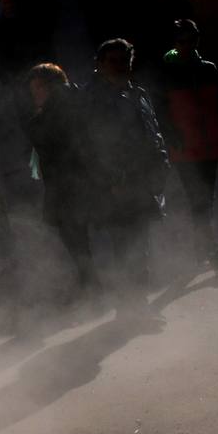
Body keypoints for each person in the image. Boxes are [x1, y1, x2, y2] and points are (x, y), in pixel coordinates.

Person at [81, 39, 169, 312]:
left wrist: (160, 163)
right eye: (113, 61)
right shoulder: (93, 98)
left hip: (143, 178)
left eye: (125, 60)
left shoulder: (138, 93)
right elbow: (91, 145)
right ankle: (131, 306)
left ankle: (136, 303)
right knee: (123, 245)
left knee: (139, 242)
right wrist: (111, 180)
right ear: (100, 64)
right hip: (116, 183)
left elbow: (152, 133)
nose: (120, 66)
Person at [160, 19, 218, 269]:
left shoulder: (208, 69)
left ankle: (201, 250)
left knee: (203, 200)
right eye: (183, 41)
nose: (188, 45)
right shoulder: (166, 72)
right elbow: (160, 112)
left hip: (209, 144)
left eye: (193, 40)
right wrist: (172, 137)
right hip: (185, 148)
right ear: (175, 42)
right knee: (199, 200)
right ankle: (209, 252)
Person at [24, 63, 97, 292]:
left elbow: (50, 141)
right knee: (73, 233)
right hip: (61, 182)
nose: (35, 94)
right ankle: (89, 280)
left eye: (40, 88)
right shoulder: (64, 105)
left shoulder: (61, 110)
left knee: (75, 232)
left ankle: (91, 282)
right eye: (33, 89)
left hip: (71, 181)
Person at [0, 0, 40, 85]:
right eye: (4, 3)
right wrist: (0, 74)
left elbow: (35, 44)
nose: (8, 6)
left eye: (9, 2)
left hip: (28, 69)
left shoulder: (26, 21)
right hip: (9, 74)